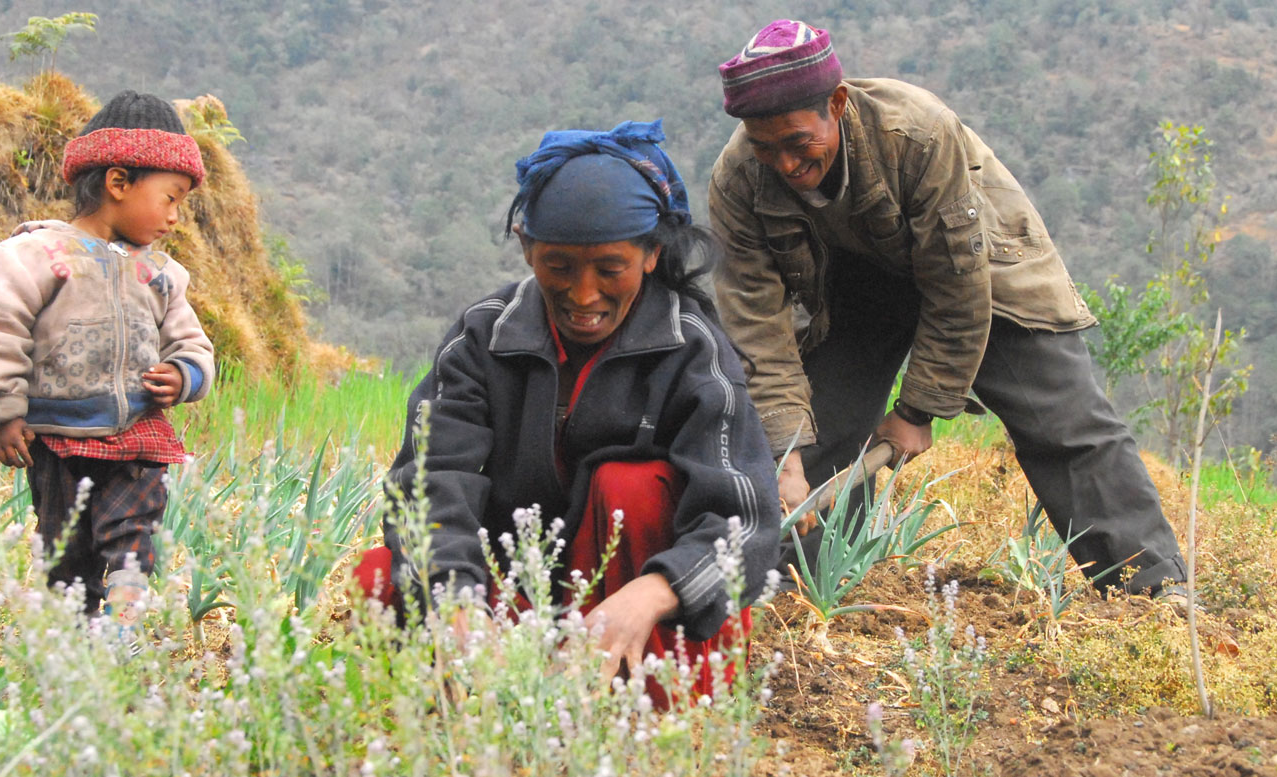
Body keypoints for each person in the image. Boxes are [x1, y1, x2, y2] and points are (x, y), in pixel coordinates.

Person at [707, 20, 1187, 596]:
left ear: (836, 105)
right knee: (808, 437)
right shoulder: (739, 180)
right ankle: (794, 590)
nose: (784, 164)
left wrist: (918, 410)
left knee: (1063, 422)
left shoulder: (916, 133)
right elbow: (755, 328)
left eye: (797, 143)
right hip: (855, 292)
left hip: (984, 268)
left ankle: (1153, 587)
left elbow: (958, 284)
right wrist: (783, 450)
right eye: (766, 148)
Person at [353, 120, 780, 696]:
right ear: (528, 248)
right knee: (381, 578)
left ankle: (648, 710)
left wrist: (653, 592)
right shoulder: (484, 337)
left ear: (651, 254)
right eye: (558, 266)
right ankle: (481, 704)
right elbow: (431, 480)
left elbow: (744, 520)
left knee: (630, 487)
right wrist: (455, 600)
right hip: (520, 603)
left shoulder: (691, 349)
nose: (583, 295)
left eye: (610, 269)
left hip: (646, 621)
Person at [0, 90, 215, 635]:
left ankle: (122, 632)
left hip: (138, 434)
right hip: (57, 436)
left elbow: (193, 345)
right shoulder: (34, 256)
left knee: (134, 537)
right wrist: (4, 410)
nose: (175, 218)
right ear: (118, 183)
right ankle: (70, 639)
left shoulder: (162, 275)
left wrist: (184, 376)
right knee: (66, 552)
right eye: (170, 198)